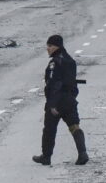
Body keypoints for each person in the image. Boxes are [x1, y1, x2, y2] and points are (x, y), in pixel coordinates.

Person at [34, 34, 88, 166]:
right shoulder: (70, 60)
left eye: (50, 46)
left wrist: (52, 104)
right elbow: (72, 82)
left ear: (57, 46)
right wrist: (72, 98)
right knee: (74, 126)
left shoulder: (55, 62)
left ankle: (46, 157)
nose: (48, 48)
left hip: (57, 100)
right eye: (48, 45)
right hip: (69, 100)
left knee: (49, 129)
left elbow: (54, 84)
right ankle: (83, 153)